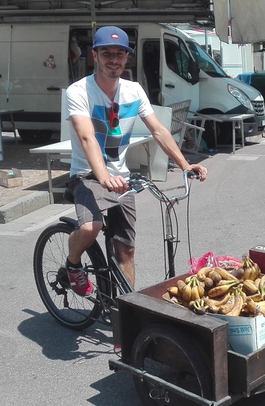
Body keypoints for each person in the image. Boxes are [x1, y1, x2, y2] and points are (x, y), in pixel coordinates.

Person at [62, 26, 208, 296]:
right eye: (107, 53)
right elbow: (87, 137)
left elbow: (159, 130)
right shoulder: (78, 91)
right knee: (90, 226)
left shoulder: (134, 90)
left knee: (126, 250)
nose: (114, 60)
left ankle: (127, 308)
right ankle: (72, 265)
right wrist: (104, 176)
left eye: (120, 54)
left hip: (121, 178)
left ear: (127, 58)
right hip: (87, 174)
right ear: (95, 55)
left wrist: (186, 165)